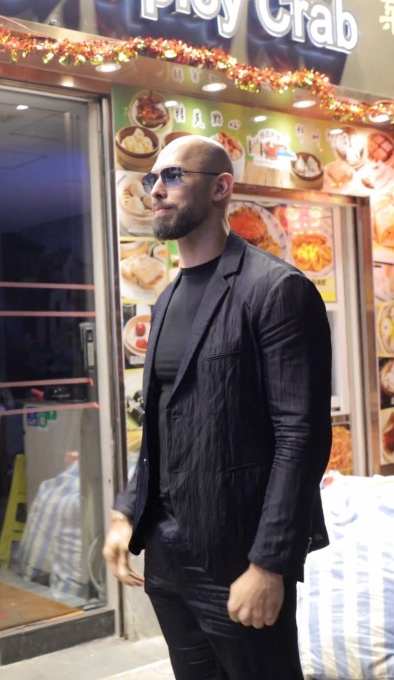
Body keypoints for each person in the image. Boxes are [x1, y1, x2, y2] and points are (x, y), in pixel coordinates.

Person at [102, 135, 332, 678]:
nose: (157, 190)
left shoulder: (276, 289)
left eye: (174, 176)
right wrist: (126, 511)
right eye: (152, 179)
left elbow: (300, 438)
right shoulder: (166, 298)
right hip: (166, 551)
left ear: (222, 188)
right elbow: (162, 425)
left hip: (238, 553)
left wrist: (269, 564)